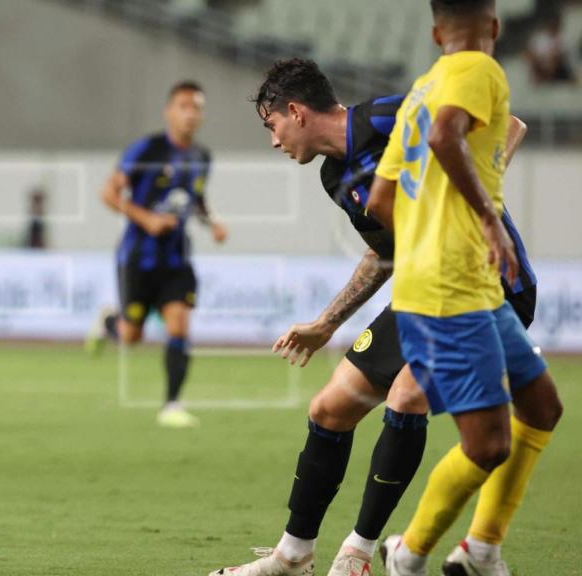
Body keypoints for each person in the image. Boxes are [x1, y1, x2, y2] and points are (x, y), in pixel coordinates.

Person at [209, 56, 557, 576]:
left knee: (406, 397)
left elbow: (508, 125)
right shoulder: (334, 177)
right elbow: (387, 253)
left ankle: (359, 553)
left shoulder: (388, 116)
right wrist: (327, 321)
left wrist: (475, 205)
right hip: (424, 291)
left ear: (296, 112)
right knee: (329, 408)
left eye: (272, 125)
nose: (274, 141)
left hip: (488, 289)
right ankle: (291, 556)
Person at [364, 1, 561, 574]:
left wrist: (424, 246)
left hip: (460, 285)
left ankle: (481, 550)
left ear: (433, 31)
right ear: (495, 27)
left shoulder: (422, 89)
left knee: (542, 406)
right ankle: (410, 554)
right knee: (489, 444)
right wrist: (489, 219)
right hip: (453, 290)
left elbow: (379, 201)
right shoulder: (480, 69)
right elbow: (450, 136)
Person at [87, 80, 228, 428]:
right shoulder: (147, 150)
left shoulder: (201, 157)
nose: (190, 113)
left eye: (197, 107)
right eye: (184, 105)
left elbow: (194, 198)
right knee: (131, 336)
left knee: (179, 324)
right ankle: (109, 323)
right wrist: (146, 218)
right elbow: (108, 193)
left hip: (176, 259)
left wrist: (212, 222)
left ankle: (172, 405)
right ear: (169, 111)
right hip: (138, 257)